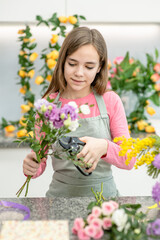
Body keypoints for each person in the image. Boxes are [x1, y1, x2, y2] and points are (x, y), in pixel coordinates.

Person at [23, 26, 136, 198]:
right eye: (72, 64)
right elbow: (40, 160)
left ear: (99, 67)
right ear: (62, 61)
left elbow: (129, 160)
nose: (79, 73)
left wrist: (104, 146)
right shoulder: (48, 105)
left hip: (105, 203)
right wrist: (32, 166)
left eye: (89, 66)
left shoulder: (110, 101)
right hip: (59, 201)